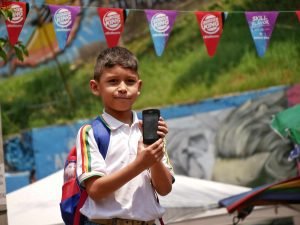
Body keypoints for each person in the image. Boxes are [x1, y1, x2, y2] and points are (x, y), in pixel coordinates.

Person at [75, 46, 174, 225]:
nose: (122, 88)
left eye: (130, 81)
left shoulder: (150, 131)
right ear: (95, 87)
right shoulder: (91, 131)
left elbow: (165, 189)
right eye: (113, 81)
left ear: (139, 86)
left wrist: (153, 159)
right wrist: (140, 164)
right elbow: (95, 190)